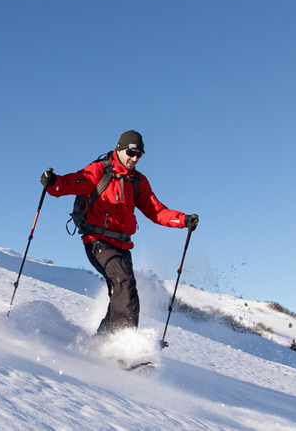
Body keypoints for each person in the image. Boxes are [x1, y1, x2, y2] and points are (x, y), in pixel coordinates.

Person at [40, 130, 199, 334]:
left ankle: (103, 340)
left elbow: (156, 211)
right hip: (98, 241)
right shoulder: (100, 170)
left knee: (121, 293)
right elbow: (72, 183)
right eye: (131, 153)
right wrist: (54, 183)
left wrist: (183, 220)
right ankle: (124, 342)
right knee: (124, 283)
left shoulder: (138, 181)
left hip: (123, 246)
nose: (134, 159)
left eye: (139, 155)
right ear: (119, 149)